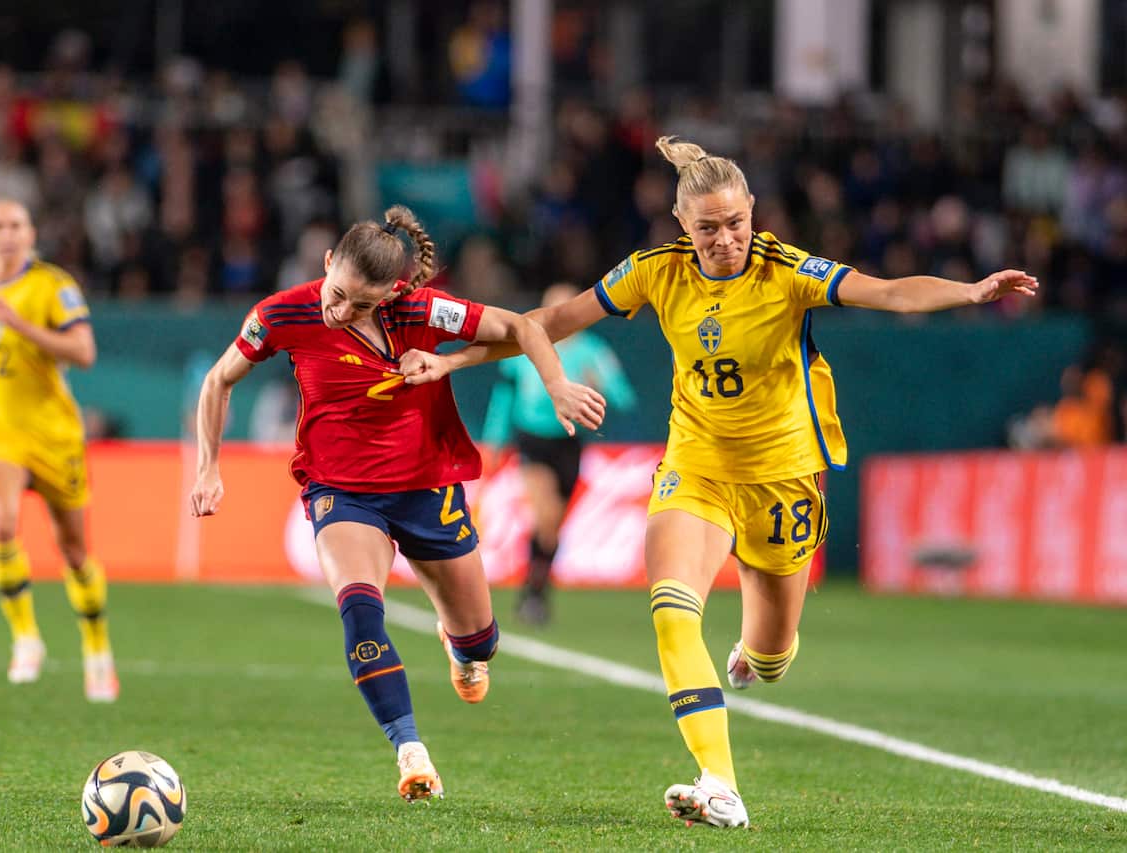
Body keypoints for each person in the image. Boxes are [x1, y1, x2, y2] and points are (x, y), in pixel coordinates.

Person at [399, 136, 1038, 828]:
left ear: (753, 213)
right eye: (708, 227)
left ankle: (757, 650)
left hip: (783, 480)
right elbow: (545, 323)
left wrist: (970, 290)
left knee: (770, 658)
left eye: (737, 222)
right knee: (672, 610)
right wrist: (453, 362)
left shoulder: (786, 269)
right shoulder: (654, 271)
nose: (727, 238)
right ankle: (720, 782)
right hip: (696, 468)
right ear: (683, 226)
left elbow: (888, 293)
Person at [189, 205, 605, 801]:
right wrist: (208, 467)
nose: (339, 311)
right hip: (340, 490)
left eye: (359, 304)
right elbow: (218, 380)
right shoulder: (280, 313)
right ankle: (411, 751)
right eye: (336, 293)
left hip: (427, 487)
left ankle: (461, 647)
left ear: (391, 293)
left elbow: (524, 326)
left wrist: (556, 383)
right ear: (328, 262)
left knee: (480, 641)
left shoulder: (423, 310)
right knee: (359, 608)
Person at [0, 198, 119, 702]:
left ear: (31, 233)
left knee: (76, 552)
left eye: (17, 225)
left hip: (54, 435)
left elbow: (84, 352)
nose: (8, 234)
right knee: (2, 526)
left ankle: (97, 650)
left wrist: (22, 327)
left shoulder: (53, 286)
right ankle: (26, 638)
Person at [480, 281, 638, 625]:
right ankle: (533, 594)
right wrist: (494, 439)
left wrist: (601, 384)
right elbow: (504, 396)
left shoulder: (593, 351)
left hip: (569, 444)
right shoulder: (525, 348)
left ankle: (535, 591)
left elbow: (625, 397)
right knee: (545, 515)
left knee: (554, 526)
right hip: (532, 440)